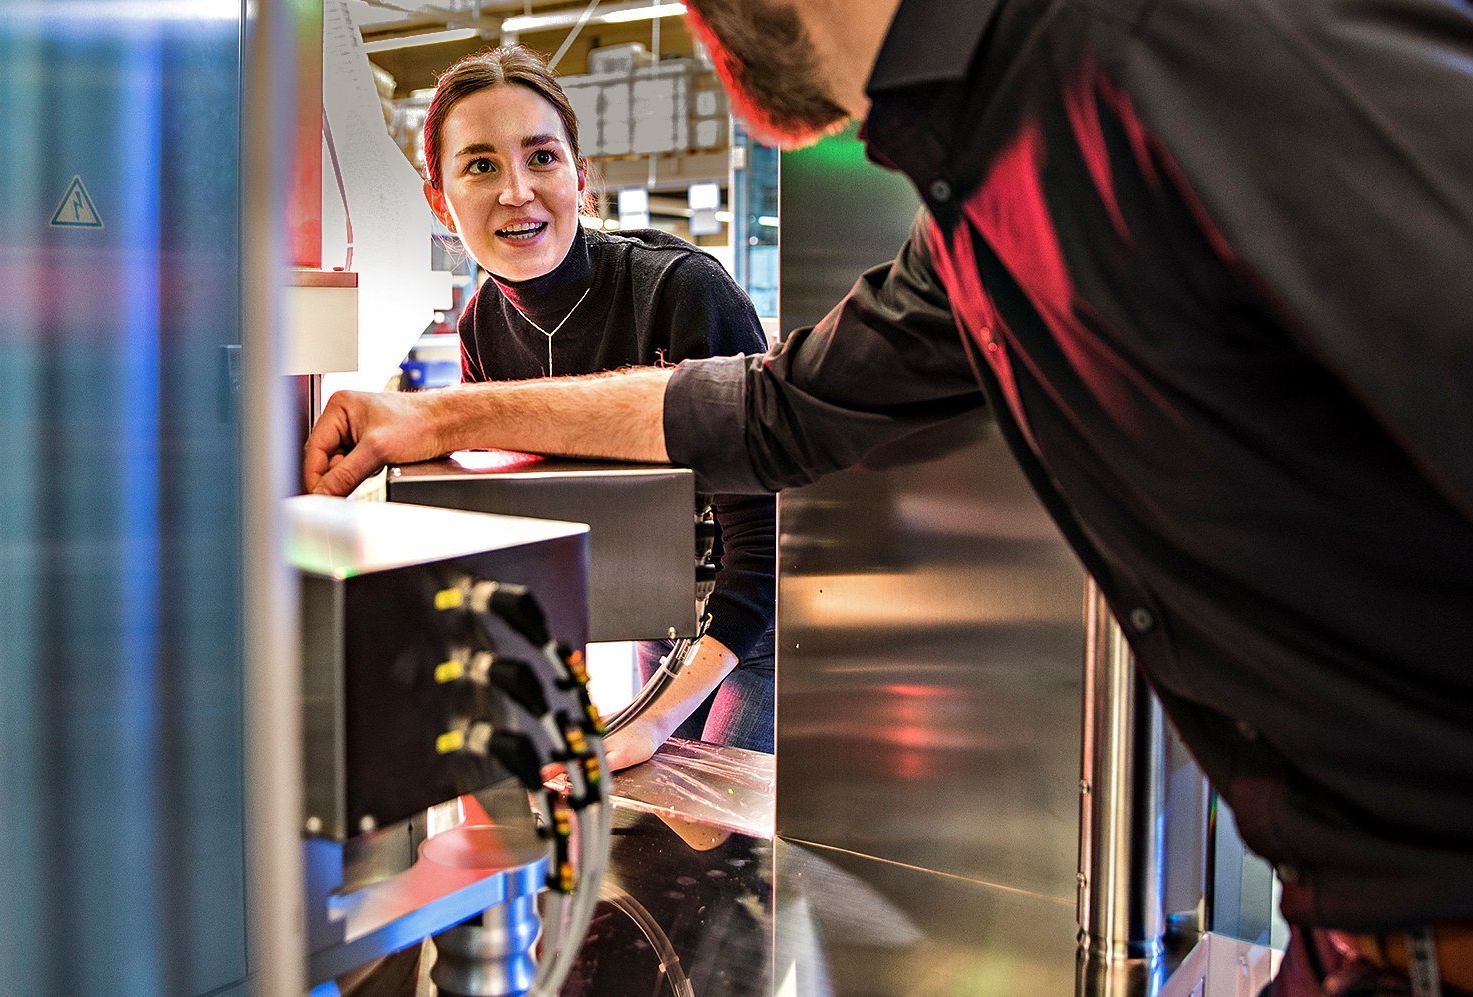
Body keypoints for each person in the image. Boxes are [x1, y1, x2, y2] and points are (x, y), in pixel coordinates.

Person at [310, 0, 1473, 993]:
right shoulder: (979, 191)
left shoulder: (1166, 46)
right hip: (1352, 924)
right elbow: (774, 413)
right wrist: (436, 417)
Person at [417, 45, 778, 771]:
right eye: (480, 164)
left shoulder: (682, 292)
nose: (516, 191)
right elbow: (528, 533)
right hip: (657, 609)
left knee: (708, 826)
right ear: (439, 199)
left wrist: (655, 718)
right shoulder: (481, 325)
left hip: (755, 625)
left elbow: (768, 548)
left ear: (580, 179)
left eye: (541, 157)